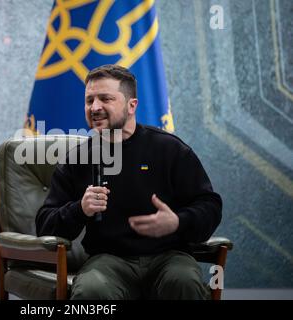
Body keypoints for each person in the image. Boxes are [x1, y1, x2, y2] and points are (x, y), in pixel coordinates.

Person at [35, 64, 222, 300]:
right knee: (92, 291)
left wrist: (178, 221)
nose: (95, 108)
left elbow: (210, 206)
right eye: (89, 100)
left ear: (132, 105)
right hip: (108, 262)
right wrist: (79, 209)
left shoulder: (169, 149)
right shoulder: (79, 158)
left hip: (169, 257)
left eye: (105, 99)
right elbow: (44, 224)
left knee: (183, 283)